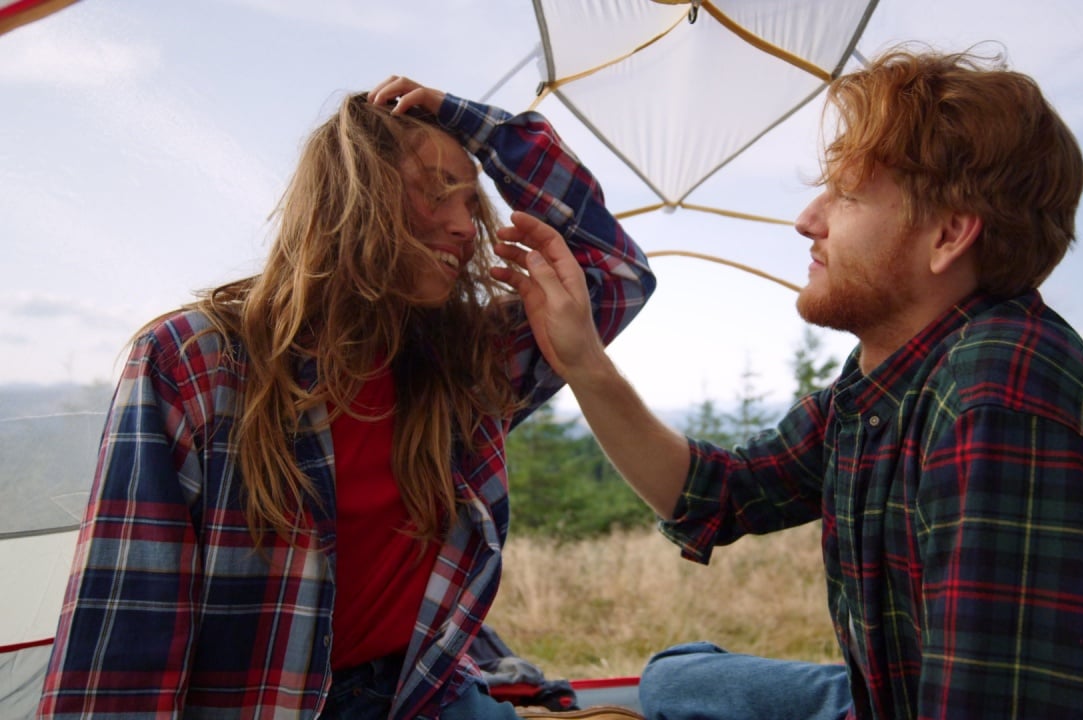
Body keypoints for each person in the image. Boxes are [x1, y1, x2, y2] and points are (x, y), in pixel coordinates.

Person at [495, 47, 1083, 719]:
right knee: (671, 680)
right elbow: (720, 491)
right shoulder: (890, 375)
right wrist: (581, 358)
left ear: (949, 236)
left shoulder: (1000, 399)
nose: (808, 221)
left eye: (845, 197)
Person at [37, 76, 655, 720]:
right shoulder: (198, 360)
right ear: (351, 196)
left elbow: (616, 274)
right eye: (434, 191)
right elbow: (127, 624)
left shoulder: (466, 364)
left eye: (471, 204)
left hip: (428, 696)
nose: (463, 226)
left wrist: (485, 131)